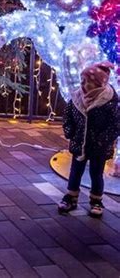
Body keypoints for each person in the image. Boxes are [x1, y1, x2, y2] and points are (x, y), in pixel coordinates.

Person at [58, 61, 119, 218]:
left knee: (96, 173)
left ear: (97, 84)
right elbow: (68, 115)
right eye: (82, 80)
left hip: (99, 145)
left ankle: (96, 200)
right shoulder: (77, 97)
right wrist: (69, 130)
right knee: (75, 171)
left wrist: (103, 140)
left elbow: (115, 124)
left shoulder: (108, 101)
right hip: (79, 142)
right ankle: (71, 196)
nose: (83, 84)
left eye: (87, 81)